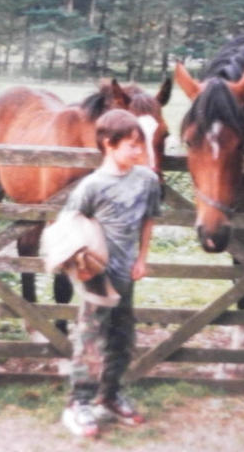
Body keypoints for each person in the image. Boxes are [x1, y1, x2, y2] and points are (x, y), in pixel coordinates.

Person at [53, 108, 161, 439]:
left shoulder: (147, 181)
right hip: (96, 278)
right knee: (90, 339)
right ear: (108, 144)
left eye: (141, 145)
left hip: (126, 274)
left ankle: (110, 395)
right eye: (132, 145)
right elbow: (67, 228)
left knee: (122, 337)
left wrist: (141, 259)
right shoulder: (91, 187)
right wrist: (82, 264)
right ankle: (79, 404)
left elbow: (148, 220)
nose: (139, 152)